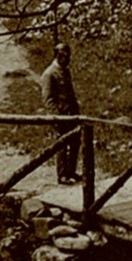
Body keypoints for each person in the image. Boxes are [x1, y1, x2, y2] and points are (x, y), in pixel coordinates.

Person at [40, 42, 81, 183]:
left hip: (71, 114)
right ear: (58, 55)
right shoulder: (49, 74)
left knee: (75, 142)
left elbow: (71, 94)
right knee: (62, 145)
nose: (68, 59)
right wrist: (57, 117)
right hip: (60, 116)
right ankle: (62, 175)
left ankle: (71, 171)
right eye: (65, 56)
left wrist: (76, 110)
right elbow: (48, 100)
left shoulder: (65, 71)